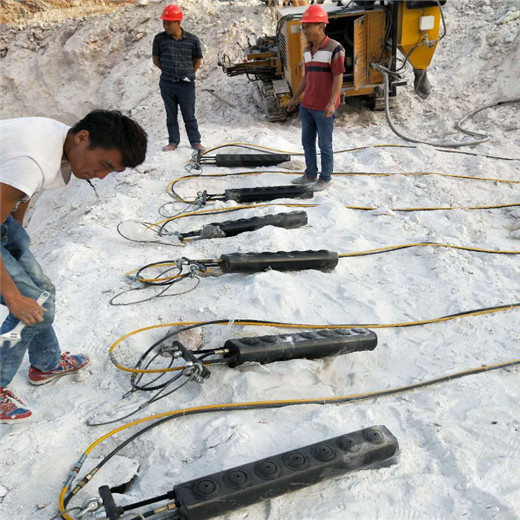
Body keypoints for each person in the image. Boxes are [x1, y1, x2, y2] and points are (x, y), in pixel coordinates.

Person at [0, 110, 148, 423]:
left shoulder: (57, 139)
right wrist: (13, 297)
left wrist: (16, 236)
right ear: (82, 138)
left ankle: (46, 364)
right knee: (27, 303)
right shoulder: (34, 159)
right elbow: (24, 176)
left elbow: (20, 191)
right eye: (105, 165)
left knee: (42, 293)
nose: (102, 176)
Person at [287, 4, 345, 191]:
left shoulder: (335, 49)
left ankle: (325, 178)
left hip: (323, 108)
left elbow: (338, 78)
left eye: (308, 26)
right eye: (303, 27)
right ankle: (310, 173)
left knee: (324, 145)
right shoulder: (306, 51)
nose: (304, 31)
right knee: (307, 142)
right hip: (307, 106)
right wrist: (295, 98)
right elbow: (306, 77)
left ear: (321, 25)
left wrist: (331, 103)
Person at [152, 4, 205, 152]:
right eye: (164, 22)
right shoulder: (159, 39)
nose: (166, 26)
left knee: (189, 114)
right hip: (167, 84)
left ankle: (195, 141)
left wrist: (188, 74)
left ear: (178, 23)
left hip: (186, 85)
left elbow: (198, 60)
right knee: (171, 115)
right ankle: (173, 142)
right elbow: (156, 60)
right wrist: (169, 71)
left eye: (169, 22)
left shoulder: (192, 40)